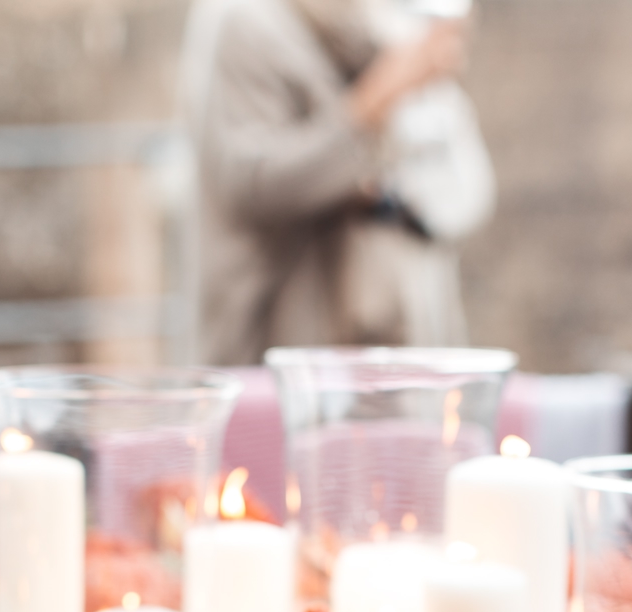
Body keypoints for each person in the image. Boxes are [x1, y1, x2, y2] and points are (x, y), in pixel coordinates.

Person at [179, 0, 485, 363]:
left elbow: (463, 191)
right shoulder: (243, 20)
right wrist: (377, 100)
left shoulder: (392, 21)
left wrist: (391, 189)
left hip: (405, 342)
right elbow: (251, 185)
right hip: (288, 349)